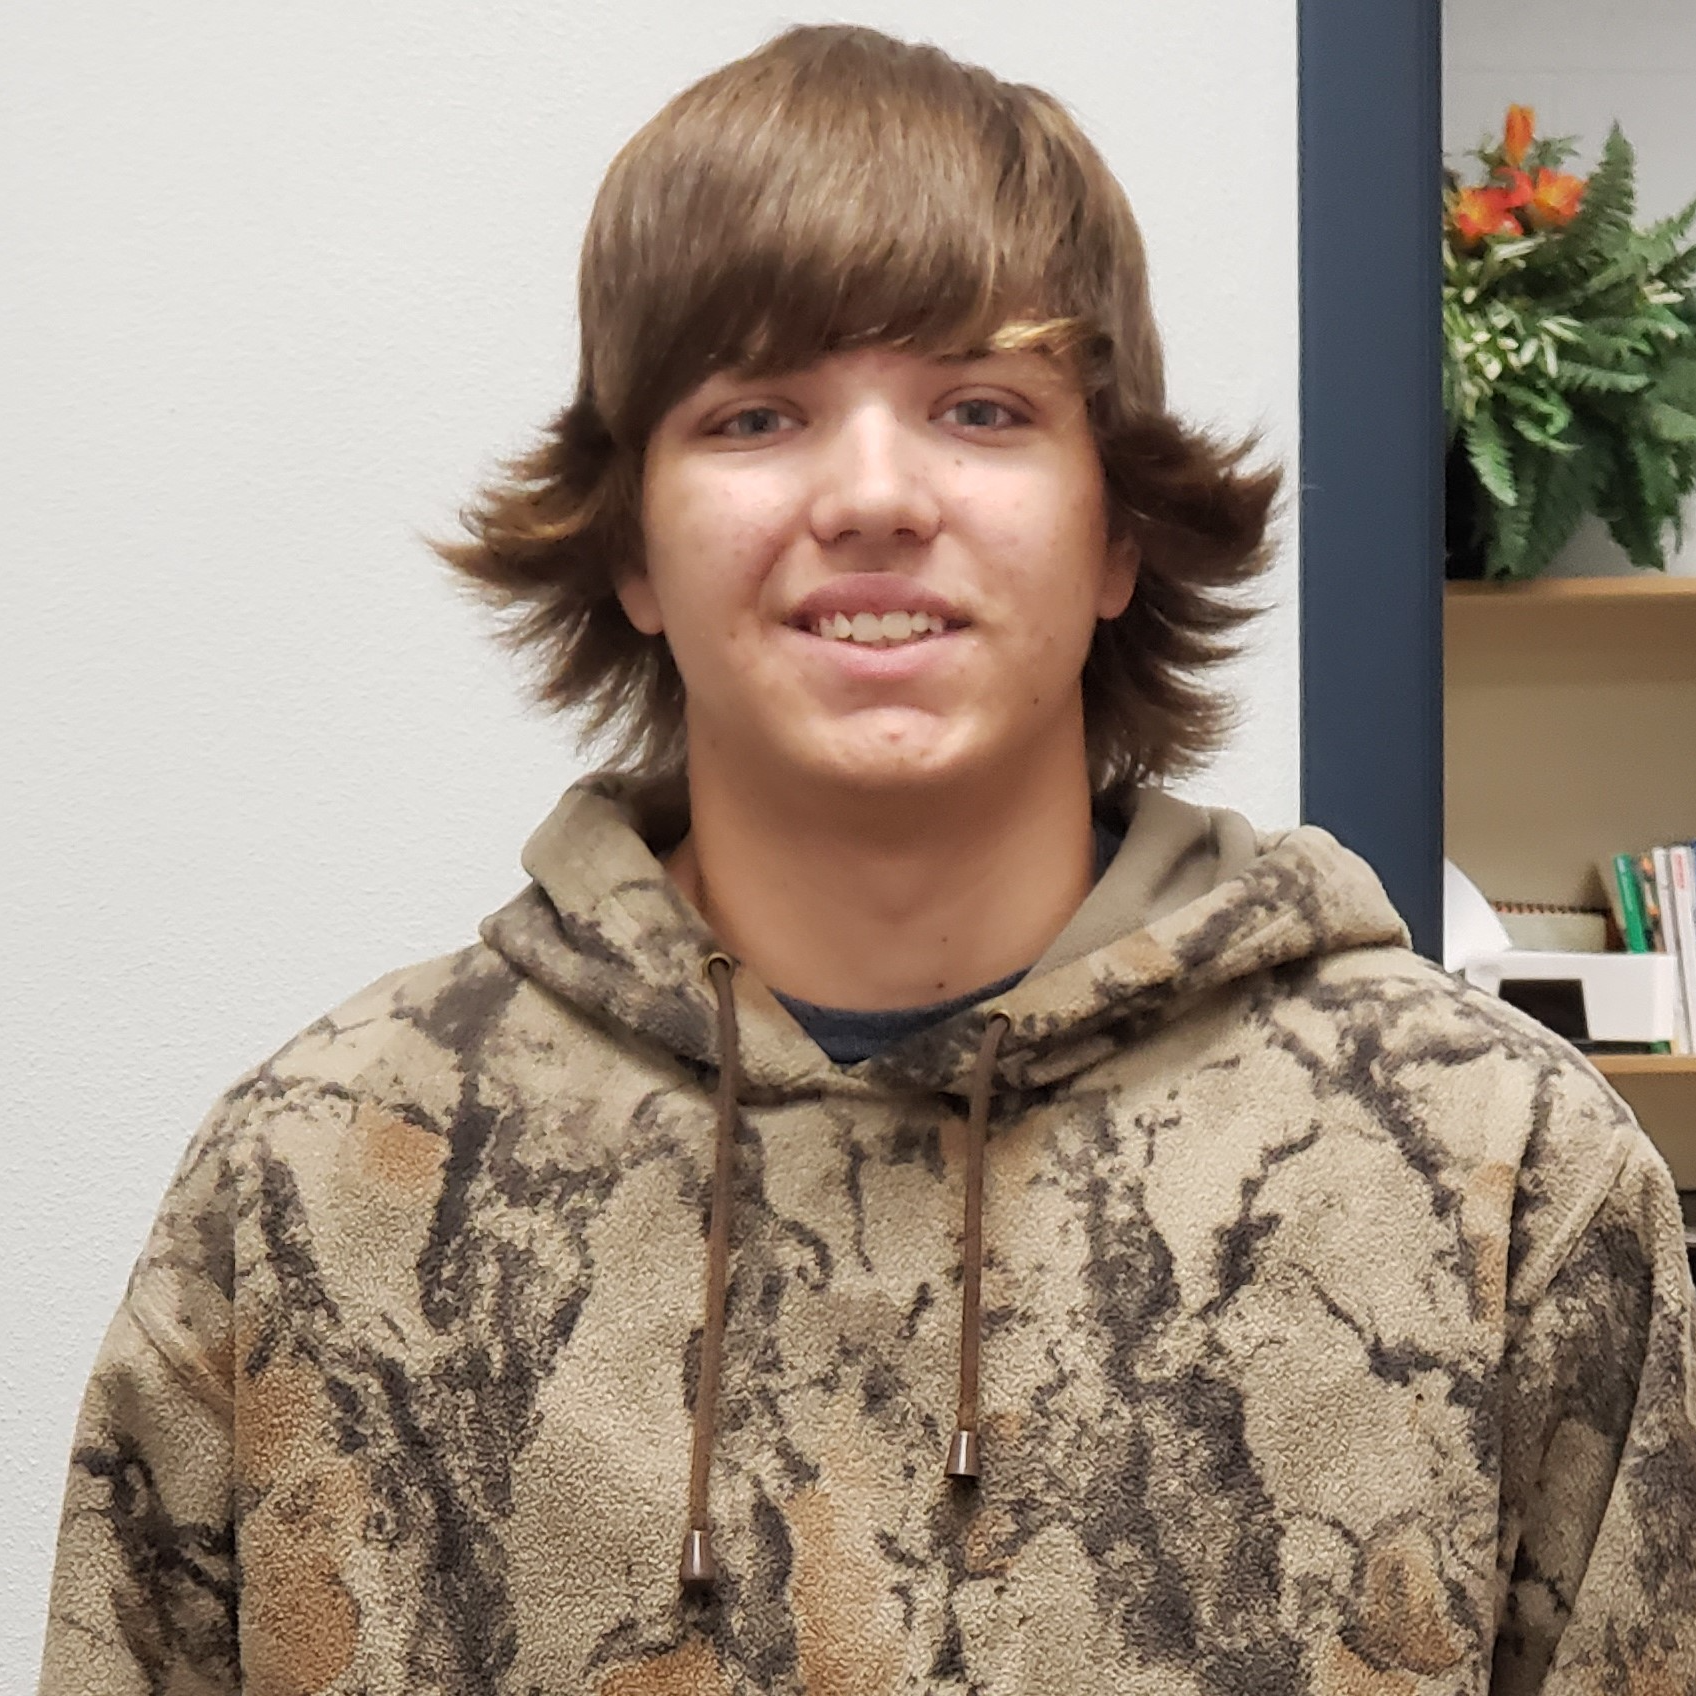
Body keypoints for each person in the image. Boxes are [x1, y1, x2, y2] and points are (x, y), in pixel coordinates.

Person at [38, 23, 1696, 1696]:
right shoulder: (318, 1187)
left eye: (981, 408)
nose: (875, 495)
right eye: (758, 415)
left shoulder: (1499, 1177)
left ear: (1120, 527)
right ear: (628, 543)